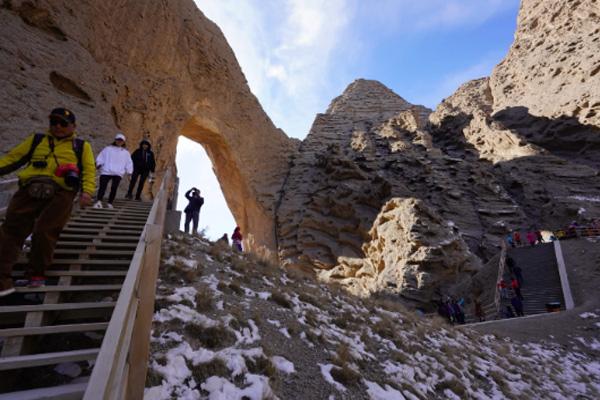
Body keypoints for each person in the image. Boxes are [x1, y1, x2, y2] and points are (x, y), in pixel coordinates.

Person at [0, 108, 95, 295]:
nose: (58, 127)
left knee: (45, 230)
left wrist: (87, 192)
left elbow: (89, 170)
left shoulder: (81, 146)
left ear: (73, 126)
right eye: (54, 122)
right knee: (11, 230)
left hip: (61, 192)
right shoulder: (37, 140)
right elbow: (13, 158)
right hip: (30, 187)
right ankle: (2, 279)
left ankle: (36, 274)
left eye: (63, 123)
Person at [94, 133, 132, 209]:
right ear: (115, 140)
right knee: (102, 187)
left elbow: (129, 163)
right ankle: (99, 201)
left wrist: (129, 173)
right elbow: (101, 157)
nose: (119, 141)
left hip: (118, 173)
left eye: (121, 140)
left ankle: (110, 203)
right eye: (118, 140)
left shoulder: (126, 153)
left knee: (114, 188)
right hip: (106, 171)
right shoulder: (107, 149)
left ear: (124, 142)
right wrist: (98, 164)